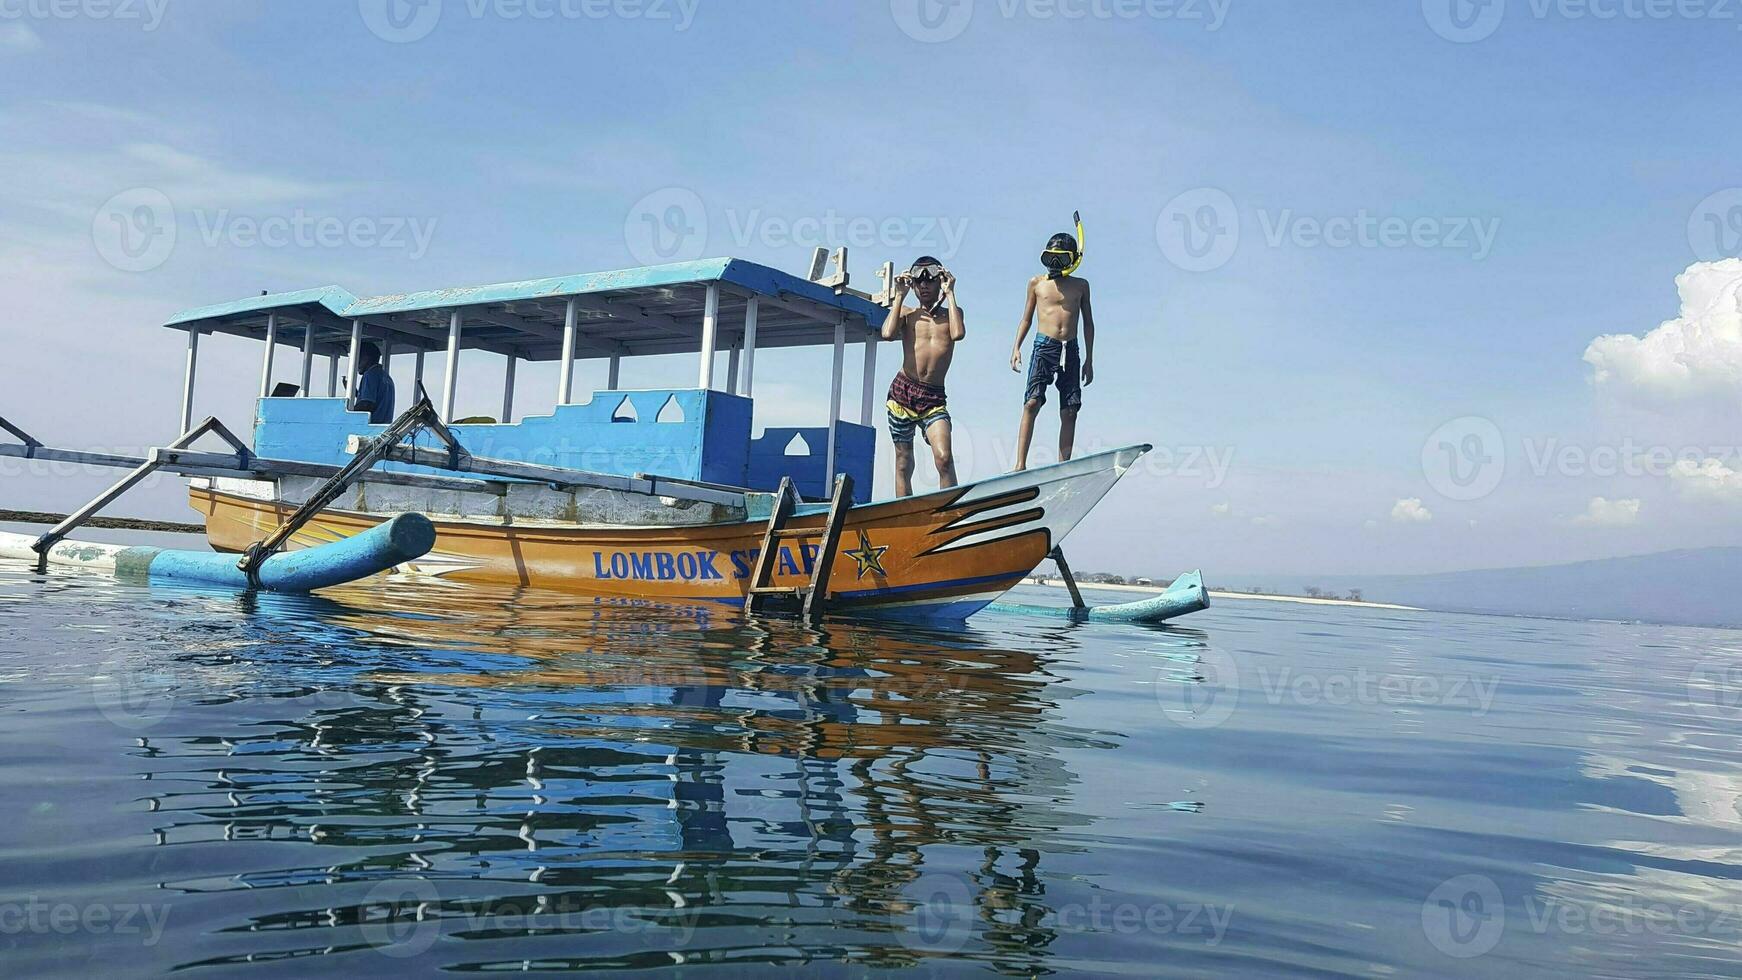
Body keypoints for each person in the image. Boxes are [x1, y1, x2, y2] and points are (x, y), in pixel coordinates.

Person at [1009, 228, 1094, 470]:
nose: (1054, 265)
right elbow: (1026, 318)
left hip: (1071, 349)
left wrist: (1089, 358)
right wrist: (1016, 347)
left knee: (1070, 409)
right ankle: (1019, 464)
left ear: (1073, 260)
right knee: (1032, 402)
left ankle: (1063, 466)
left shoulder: (1081, 285)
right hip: (1044, 347)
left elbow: (1088, 322)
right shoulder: (1037, 283)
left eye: (1061, 259)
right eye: (1050, 259)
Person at [881, 255, 966, 496]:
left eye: (930, 281)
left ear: (940, 282)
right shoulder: (908, 314)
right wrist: (899, 295)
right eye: (919, 282)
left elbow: (958, 334)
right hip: (902, 394)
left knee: (944, 458)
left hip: (933, 398)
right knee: (903, 461)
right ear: (914, 285)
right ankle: (905, 513)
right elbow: (887, 333)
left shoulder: (953, 313)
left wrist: (950, 294)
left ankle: (949, 511)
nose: (924, 286)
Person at [352, 342, 396, 424]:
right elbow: (377, 402)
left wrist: (348, 413)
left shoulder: (370, 374)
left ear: (366, 358)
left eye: (358, 358)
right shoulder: (386, 377)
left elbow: (367, 405)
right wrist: (356, 394)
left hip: (369, 428)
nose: (356, 363)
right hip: (383, 429)